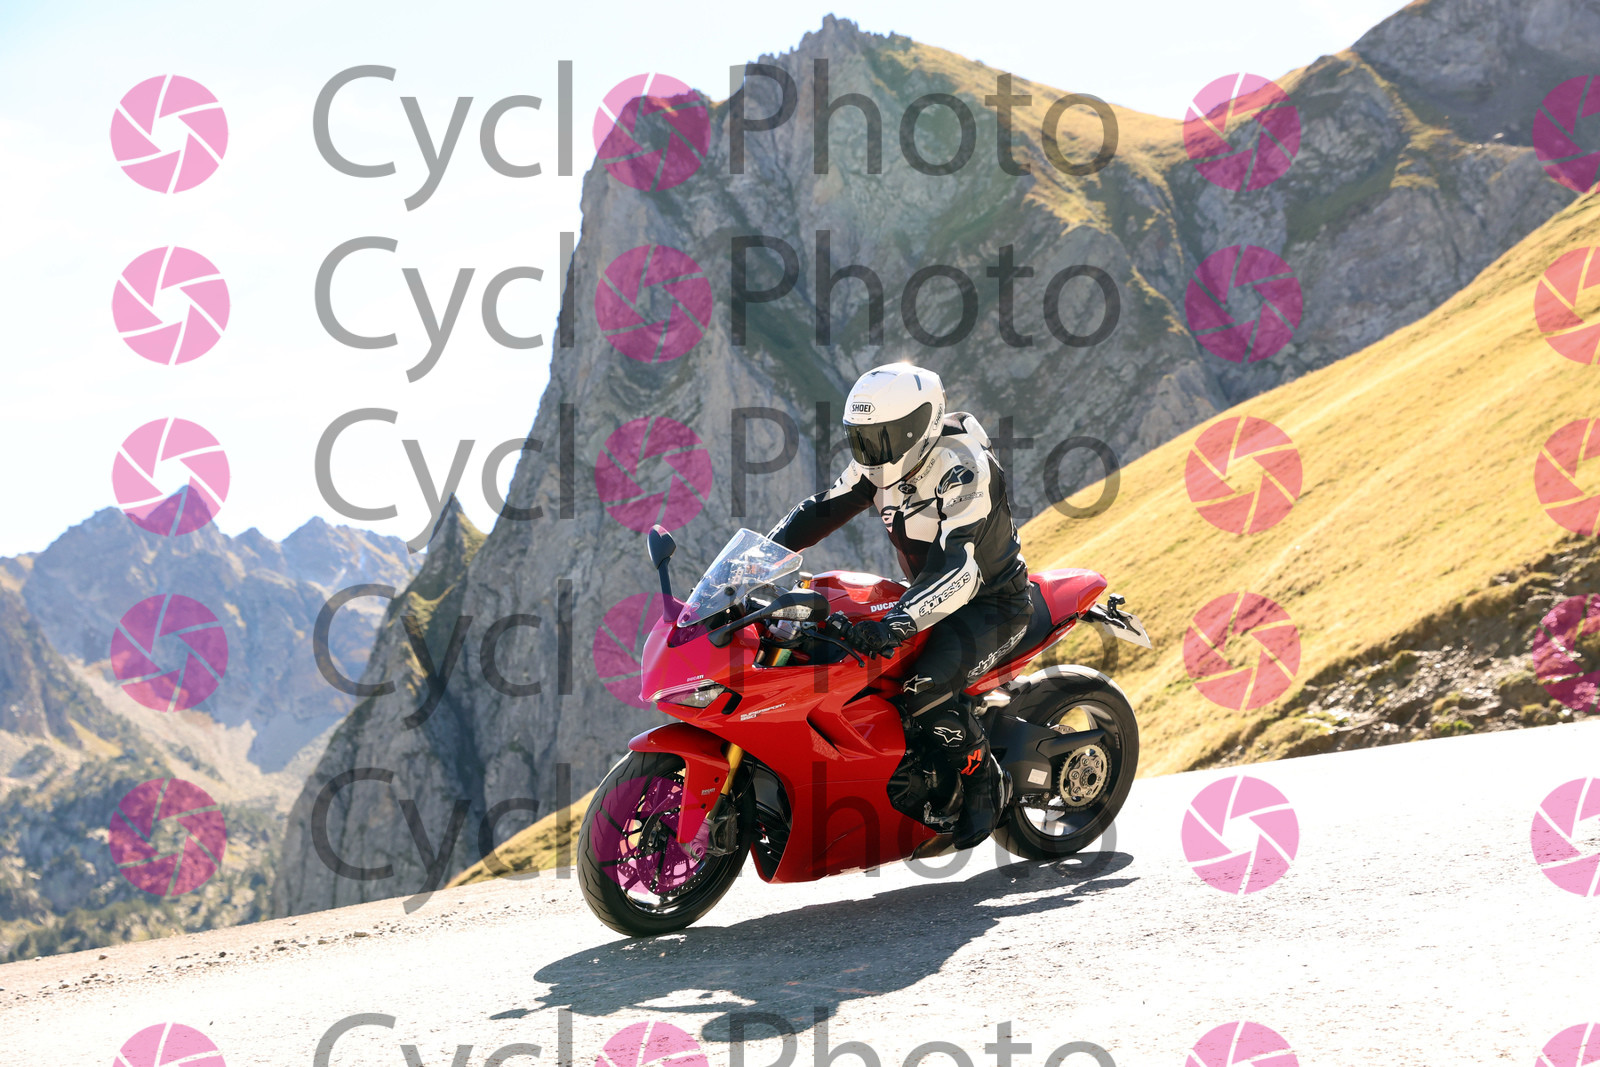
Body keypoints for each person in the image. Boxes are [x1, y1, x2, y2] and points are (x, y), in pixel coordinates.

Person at [766, 362, 1030, 849]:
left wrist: (897, 622)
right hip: (925, 593)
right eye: (863, 438)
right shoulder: (883, 462)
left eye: (883, 437)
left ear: (920, 425)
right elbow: (822, 509)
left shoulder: (964, 468)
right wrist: (759, 559)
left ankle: (983, 779)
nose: (872, 451)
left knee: (923, 692)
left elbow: (960, 569)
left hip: (990, 602)